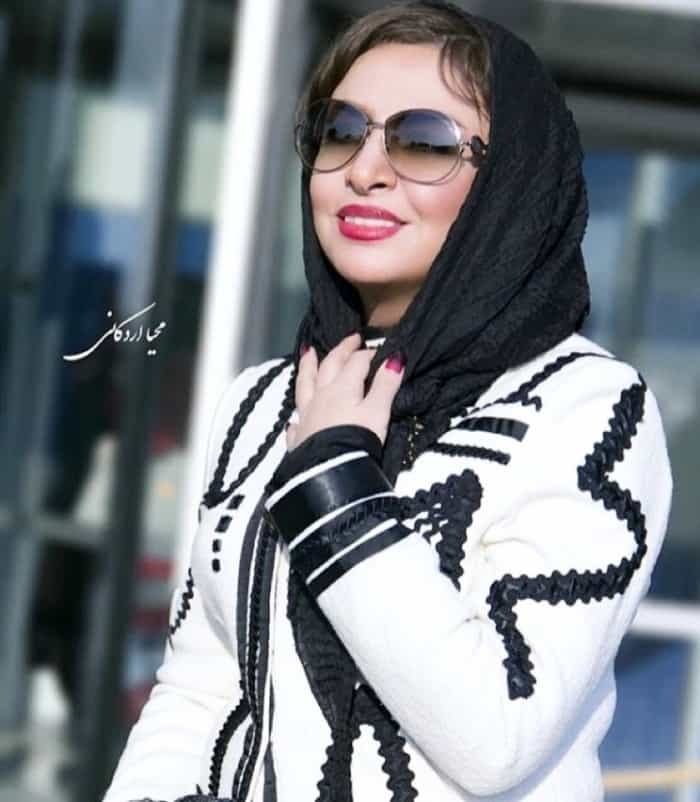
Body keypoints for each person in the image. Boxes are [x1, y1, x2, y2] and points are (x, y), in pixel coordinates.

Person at [102, 2, 673, 801]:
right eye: (340, 131)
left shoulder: (587, 408)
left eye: (424, 141)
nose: (364, 169)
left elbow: (497, 735)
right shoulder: (263, 402)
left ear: (508, 182)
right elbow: (201, 687)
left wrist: (334, 481)